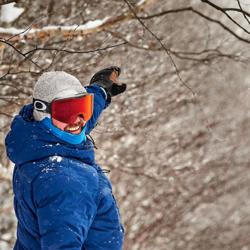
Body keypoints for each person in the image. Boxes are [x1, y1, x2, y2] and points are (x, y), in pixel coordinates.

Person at [5, 67, 126, 250]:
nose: (78, 120)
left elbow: (80, 117)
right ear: (42, 111)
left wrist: (101, 90)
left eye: (82, 108)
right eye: (68, 110)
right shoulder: (63, 181)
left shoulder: (36, 141)